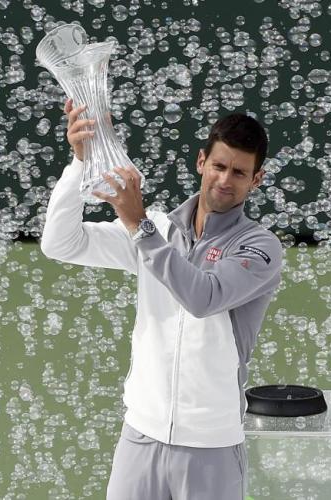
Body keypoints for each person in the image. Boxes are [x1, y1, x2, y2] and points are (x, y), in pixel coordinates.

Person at [40, 98, 283, 500]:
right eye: (219, 166)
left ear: (256, 179)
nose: (225, 179)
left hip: (211, 447)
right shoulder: (157, 230)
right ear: (201, 161)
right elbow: (60, 243)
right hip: (139, 436)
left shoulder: (259, 247)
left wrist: (139, 225)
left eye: (239, 172)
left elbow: (203, 297)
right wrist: (80, 163)